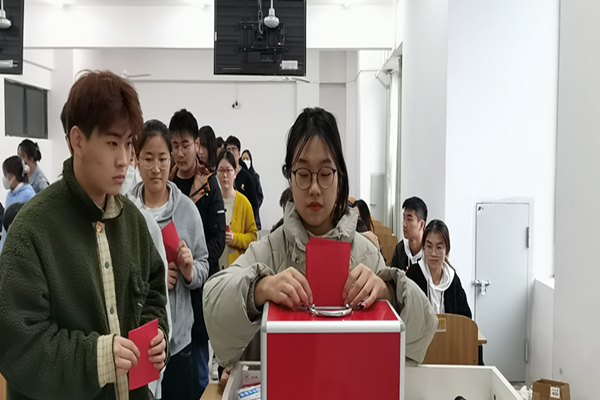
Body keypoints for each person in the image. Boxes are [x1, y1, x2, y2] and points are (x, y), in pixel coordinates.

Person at [203, 107, 438, 374]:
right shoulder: (270, 251)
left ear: (339, 177)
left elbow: (423, 334)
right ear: (290, 177)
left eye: (325, 173)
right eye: (303, 174)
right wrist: (259, 289)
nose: (314, 188)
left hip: (349, 387)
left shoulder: (366, 255)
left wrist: (389, 292)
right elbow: (213, 307)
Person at [0, 70, 168, 400]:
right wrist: (96, 359)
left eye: (128, 144)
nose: (124, 160)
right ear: (77, 140)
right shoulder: (32, 230)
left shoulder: (133, 222)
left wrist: (157, 334)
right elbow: (17, 344)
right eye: (111, 143)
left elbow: (153, 294)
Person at [130, 119, 210, 400]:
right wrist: (154, 281)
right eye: (148, 158)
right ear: (136, 159)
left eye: (162, 158)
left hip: (178, 342)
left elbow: (204, 264)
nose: (156, 168)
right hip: (138, 341)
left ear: (171, 158)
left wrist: (189, 270)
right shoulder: (126, 212)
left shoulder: (187, 210)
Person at [168, 109, 225, 398]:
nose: (179, 153)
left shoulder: (209, 183)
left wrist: (195, 263)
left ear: (197, 144)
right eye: (174, 146)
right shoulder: (166, 181)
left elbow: (218, 239)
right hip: (170, 285)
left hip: (200, 287)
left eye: (185, 145)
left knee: (199, 365)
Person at [406, 220, 471, 318]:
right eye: (429, 246)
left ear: (446, 250)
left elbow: (466, 318)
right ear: (423, 247)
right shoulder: (413, 275)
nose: (433, 253)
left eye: (439, 247)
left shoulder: (452, 280)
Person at [216, 150, 257, 270]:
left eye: (228, 170)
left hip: (237, 270)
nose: (225, 175)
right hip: (215, 270)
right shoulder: (212, 202)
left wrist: (235, 238)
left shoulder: (244, 203)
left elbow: (253, 237)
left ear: (235, 173)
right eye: (221, 170)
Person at [0, 156, 36, 251]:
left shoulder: (29, 195)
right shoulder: (10, 195)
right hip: (5, 249)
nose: (5, 178)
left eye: (6, 174)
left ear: (13, 176)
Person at [225, 136, 260, 230]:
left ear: (239, 153)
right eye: (228, 149)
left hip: (243, 226)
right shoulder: (222, 176)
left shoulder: (247, 177)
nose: (231, 152)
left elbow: (254, 204)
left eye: (234, 149)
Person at [391, 196, 428, 271]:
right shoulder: (400, 249)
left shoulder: (429, 251)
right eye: (404, 218)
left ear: (421, 225)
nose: (404, 224)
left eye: (409, 219)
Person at [241, 149, 264, 225]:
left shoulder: (255, 177)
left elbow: (260, 196)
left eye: (247, 159)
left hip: (253, 216)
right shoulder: (238, 177)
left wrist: (255, 205)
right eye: (243, 159)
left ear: (250, 161)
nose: (245, 161)